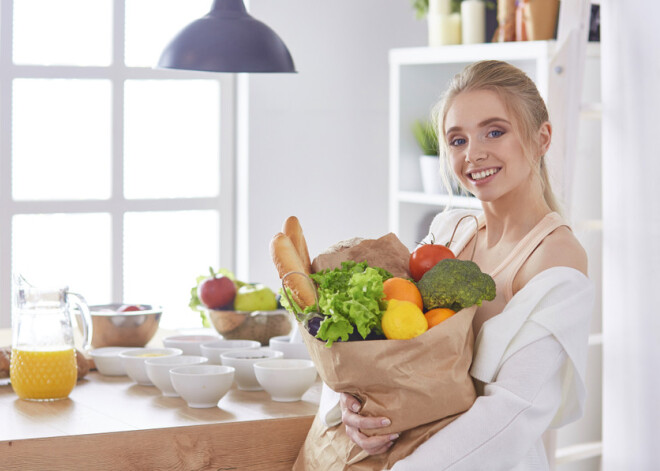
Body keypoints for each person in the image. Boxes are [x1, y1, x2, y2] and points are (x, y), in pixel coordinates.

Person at [320, 60, 595, 470]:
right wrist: (353, 410)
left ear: (542, 138)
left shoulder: (555, 258)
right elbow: (379, 340)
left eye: (494, 131)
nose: (473, 153)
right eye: (457, 139)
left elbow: (513, 413)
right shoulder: (449, 231)